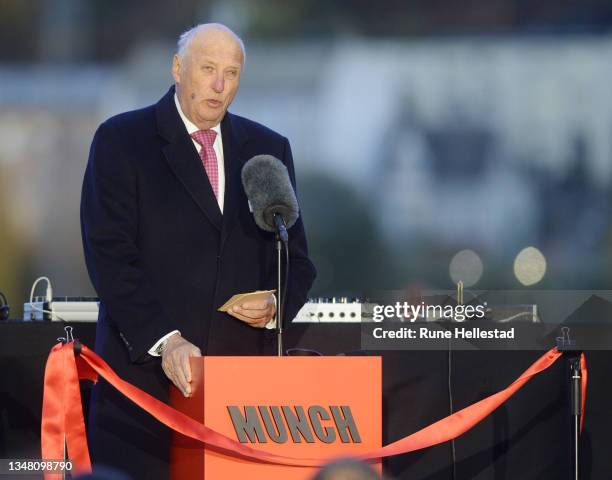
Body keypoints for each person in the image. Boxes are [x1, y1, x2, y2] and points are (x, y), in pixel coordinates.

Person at [80, 23, 316, 479]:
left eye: (231, 72)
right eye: (208, 69)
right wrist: (166, 340)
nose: (220, 85)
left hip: (241, 408)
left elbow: (297, 260)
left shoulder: (268, 150)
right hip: (142, 395)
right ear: (177, 68)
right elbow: (109, 257)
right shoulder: (122, 140)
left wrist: (274, 305)